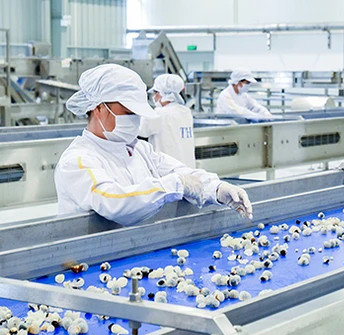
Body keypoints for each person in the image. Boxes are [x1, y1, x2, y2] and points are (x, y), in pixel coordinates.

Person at [55, 64, 253, 227]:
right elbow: (113, 202)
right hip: (83, 264)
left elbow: (180, 171)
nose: (135, 120)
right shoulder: (78, 160)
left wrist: (217, 189)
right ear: (99, 108)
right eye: (128, 111)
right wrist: (175, 184)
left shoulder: (139, 149)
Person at [138, 74, 196, 167]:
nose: (154, 96)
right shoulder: (186, 111)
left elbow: (141, 131)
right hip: (187, 168)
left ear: (161, 94)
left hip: (168, 170)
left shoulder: (159, 113)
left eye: (155, 92)